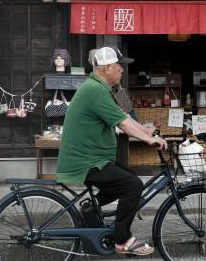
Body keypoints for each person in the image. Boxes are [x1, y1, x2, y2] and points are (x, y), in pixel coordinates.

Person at [57, 46, 167, 256]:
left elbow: (127, 114)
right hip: (89, 158)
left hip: (100, 152)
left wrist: (146, 130)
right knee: (131, 185)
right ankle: (122, 239)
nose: (122, 70)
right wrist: (147, 137)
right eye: (119, 65)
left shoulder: (112, 88)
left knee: (129, 178)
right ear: (105, 67)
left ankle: (91, 208)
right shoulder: (97, 89)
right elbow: (124, 121)